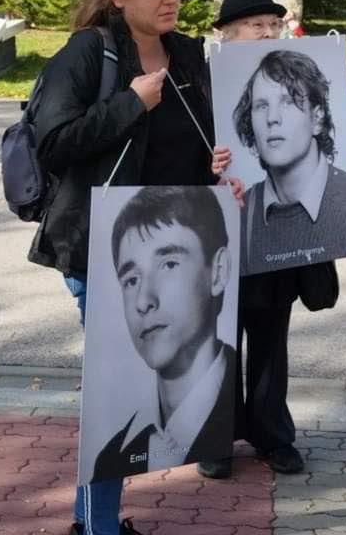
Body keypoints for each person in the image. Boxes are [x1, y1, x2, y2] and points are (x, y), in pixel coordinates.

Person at [28, 0, 221, 535]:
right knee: (117, 390)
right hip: (99, 250)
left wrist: (218, 170)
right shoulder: (90, 54)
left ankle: (99, 519)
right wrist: (131, 104)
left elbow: (194, 143)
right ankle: (95, 524)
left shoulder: (187, 53)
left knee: (134, 388)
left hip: (172, 249)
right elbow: (53, 143)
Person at [198, 0, 346, 481]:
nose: (267, 33)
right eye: (254, 26)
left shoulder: (296, 76)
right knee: (219, 339)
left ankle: (272, 434)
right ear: (225, 34)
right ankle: (216, 437)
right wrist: (205, 164)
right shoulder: (202, 81)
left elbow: (317, 149)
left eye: (273, 25)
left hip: (279, 237)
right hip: (221, 230)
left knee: (270, 336)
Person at [92, 186, 238, 479]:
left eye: (169, 264)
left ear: (218, 271)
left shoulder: (238, 412)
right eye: (131, 280)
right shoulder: (111, 457)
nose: (145, 300)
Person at [231, 49, 346, 271]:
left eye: (288, 101)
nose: (272, 118)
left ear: (317, 117)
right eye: (262, 106)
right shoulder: (241, 208)